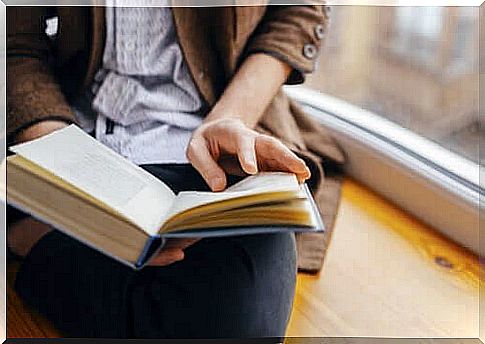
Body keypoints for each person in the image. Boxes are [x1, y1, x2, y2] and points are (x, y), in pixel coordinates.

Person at [6, 2, 343, 339]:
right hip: (69, 131)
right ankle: (49, 235)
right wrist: (64, 171)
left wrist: (230, 119)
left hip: (214, 136)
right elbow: (15, 44)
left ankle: (36, 238)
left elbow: (298, 9)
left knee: (246, 308)